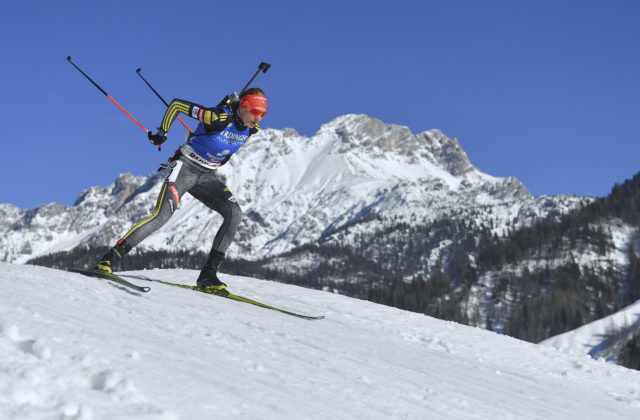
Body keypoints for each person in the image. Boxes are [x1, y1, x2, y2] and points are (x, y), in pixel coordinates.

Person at [93, 88, 268, 290]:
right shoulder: (218, 117)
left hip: (207, 176)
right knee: (161, 216)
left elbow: (225, 150)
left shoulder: (252, 129)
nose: (258, 118)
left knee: (234, 213)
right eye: (255, 111)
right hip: (185, 168)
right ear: (244, 106)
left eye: (263, 114)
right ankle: (107, 260)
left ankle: (208, 276)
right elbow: (176, 105)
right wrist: (161, 133)